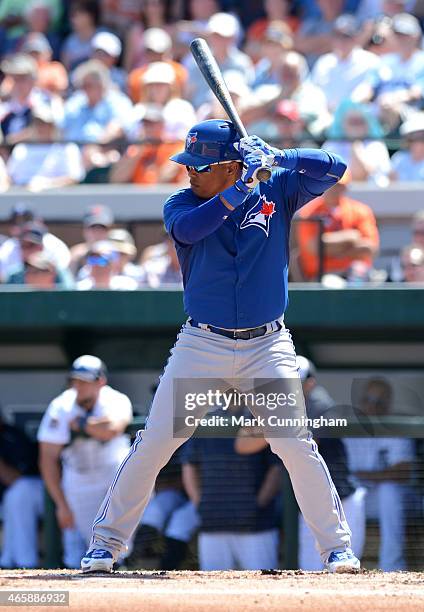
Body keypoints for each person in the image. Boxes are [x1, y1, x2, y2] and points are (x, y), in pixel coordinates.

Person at [81, 118, 360, 574]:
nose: (190, 172)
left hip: (267, 345)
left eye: (202, 165)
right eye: (190, 165)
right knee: (154, 442)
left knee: (295, 443)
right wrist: (238, 187)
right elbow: (192, 231)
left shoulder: (278, 189)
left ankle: (336, 548)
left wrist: (278, 157)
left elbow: (335, 167)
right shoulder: (181, 204)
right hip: (202, 344)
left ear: (230, 165)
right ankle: (105, 545)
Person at [38, 355, 133, 568]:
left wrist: (81, 423)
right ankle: (83, 598)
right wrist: (61, 504)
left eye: (84, 381)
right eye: (75, 380)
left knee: (117, 545)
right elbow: (47, 458)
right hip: (79, 477)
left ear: (100, 381)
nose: (77, 386)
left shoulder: (116, 399)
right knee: (79, 547)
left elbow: (112, 429)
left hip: (113, 476)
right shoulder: (61, 405)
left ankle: (123, 588)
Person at [182, 414, 283, 571]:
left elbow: (276, 467)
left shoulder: (261, 413)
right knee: (211, 591)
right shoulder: (205, 417)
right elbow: (189, 464)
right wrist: (201, 504)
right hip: (212, 524)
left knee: (265, 589)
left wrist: (258, 504)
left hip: (257, 527)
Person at [344, 378, 415, 570]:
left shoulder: (395, 427)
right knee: (353, 496)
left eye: (379, 402)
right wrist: (376, 475)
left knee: (389, 491)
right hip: (358, 496)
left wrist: (365, 475)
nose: (372, 407)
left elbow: (403, 472)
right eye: (368, 400)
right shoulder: (347, 428)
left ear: (388, 404)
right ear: (360, 401)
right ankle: (347, 566)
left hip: (394, 501)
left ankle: (392, 566)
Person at [295, 171, 380, 281]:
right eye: (330, 184)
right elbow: (314, 248)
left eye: (338, 185)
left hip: (356, 272)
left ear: (345, 187)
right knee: (330, 283)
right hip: (322, 275)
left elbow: (369, 248)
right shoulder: (309, 212)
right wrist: (351, 237)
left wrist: (331, 249)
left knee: (361, 276)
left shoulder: (360, 210)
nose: (333, 188)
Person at [311, 14, 381, 113]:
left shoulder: (370, 61)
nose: (340, 40)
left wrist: (344, 111)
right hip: (326, 116)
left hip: (357, 116)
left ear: (356, 37)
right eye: (337, 35)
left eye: (346, 36)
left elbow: (367, 91)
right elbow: (315, 92)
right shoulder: (324, 62)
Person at [0, 408, 42, 568]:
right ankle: (8, 560)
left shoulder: (13, 438)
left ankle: (24, 563)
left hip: (35, 494)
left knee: (17, 495)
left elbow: (15, 479)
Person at [7, 105, 85, 190]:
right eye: (38, 123)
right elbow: (10, 178)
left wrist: (47, 184)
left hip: (57, 199)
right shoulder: (21, 149)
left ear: (54, 126)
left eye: (47, 124)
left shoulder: (68, 149)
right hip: (21, 199)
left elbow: (74, 178)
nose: (42, 128)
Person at [109, 104, 187, 185]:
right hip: (138, 195)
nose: (148, 129)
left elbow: (163, 179)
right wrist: (138, 153)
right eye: (145, 125)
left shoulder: (173, 147)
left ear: (162, 125)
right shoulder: (135, 149)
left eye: (152, 124)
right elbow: (116, 179)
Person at [62, 59, 134, 144]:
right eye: (82, 85)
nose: (84, 90)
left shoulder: (118, 101)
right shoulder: (77, 101)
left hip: (104, 150)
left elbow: (119, 127)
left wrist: (95, 146)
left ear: (101, 85)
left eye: (88, 85)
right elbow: (61, 124)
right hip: (72, 152)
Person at [323, 101, 391, 186]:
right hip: (341, 195)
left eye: (360, 121)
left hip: (375, 194)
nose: (356, 126)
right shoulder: (331, 146)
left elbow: (361, 175)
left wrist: (356, 146)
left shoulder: (377, 146)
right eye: (352, 122)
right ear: (342, 123)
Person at [0, 211, 71, 283]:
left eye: (32, 245)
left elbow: (70, 290)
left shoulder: (58, 273)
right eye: (24, 246)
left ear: (41, 248)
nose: (29, 250)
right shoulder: (14, 276)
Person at [69, 204, 114, 276]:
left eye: (102, 228)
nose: (97, 233)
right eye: (93, 228)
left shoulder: (116, 253)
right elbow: (69, 282)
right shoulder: (76, 254)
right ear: (85, 230)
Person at [390, 113, 424, 181]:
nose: (417, 142)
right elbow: (391, 183)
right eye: (412, 138)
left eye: (421, 137)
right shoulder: (399, 159)